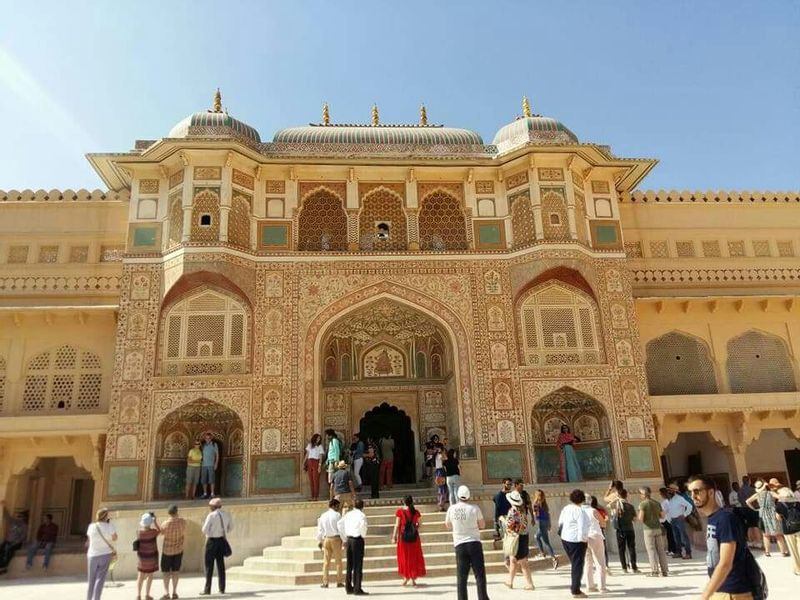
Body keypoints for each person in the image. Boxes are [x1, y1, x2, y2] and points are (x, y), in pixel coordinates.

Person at [688, 474, 757, 600]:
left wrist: (705, 596)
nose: (693, 496)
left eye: (697, 491)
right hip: (721, 590)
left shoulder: (725, 519)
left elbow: (725, 563)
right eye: (690, 492)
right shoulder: (713, 518)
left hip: (733, 593)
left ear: (710, 492)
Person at [445, 485, 490, 600]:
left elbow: (448, 525)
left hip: (459, 544)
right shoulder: (475, 508)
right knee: (479, 575)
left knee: (461, 576)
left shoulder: (451, 509)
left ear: (458, 496)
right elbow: (482, 525)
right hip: (474, 543)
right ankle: (483, 597)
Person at [558, 489, 590, 599]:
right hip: (576, 541)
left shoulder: (566, 508)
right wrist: (584, 540)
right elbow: (582, 527)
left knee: (574, 564)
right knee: (577, 566)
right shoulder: (579, 511)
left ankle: (575, 587)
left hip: (565, 538)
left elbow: (560, 523)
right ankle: (575, 590)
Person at [746, 478, 789, 556]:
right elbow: (781, 498)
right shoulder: (771, 493)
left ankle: (767, 552)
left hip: (763, 514)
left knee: (766, 535)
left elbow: (747, 501)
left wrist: (755, 509)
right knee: (778, 535)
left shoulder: (757, 495)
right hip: (772, 513)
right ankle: (783, 552)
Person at [200, 497, 233, 596]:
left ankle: (207, 589)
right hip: (221, 540)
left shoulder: (211, 515)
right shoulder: (226, 514)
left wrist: (211, 532)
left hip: (212, 541)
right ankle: (222, 588)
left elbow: (204, 530)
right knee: (221, 565)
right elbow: (230, 527)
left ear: (213, 507)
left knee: (209, 566)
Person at [392, 495, 426, 586]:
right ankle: (413, 578)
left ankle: (405, 577)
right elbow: (420, 524)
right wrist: (414, 527)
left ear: (403, 501)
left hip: (403, 538)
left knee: (404, 557)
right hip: (414, 538)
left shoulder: (400, 511)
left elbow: (397, 525)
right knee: (414, 557)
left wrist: (394, 536)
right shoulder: (416, 512)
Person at [503, 490, 534, 590]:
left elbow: (511, 526)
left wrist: (503, 521)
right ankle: (510, 581)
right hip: (523, 537)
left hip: (517, 538)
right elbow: (524, 524)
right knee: (513, 560)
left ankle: (530, 584)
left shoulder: (512, 511)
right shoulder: (522, 511)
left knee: (522, 562)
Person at [85, 507, 117, 600]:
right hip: (105, 554)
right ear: (106, 516)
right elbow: (115, 538)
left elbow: (89, 540)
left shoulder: (91, 526)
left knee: (91, 580)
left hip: (92, 555)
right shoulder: (109, 526)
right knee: (100, 580)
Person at [338, 498, 368, 595]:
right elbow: (363, 527)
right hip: (357, 539)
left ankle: (348, 587)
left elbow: (339, 524)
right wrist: (363, 536)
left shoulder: (348, 514)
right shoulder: (362, 515)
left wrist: (344, 537)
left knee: (349, 564)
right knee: (358, 565)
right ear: (362, 507)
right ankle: (357, 588)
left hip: (349, 539)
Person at [638, 486, 668, 577]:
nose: (640, 496)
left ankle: (655, 571)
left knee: (651, 550)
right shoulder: (657, 503)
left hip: (648, 529)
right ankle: (664, 570)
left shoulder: (643, 504)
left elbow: (641, 518)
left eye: (641, 494)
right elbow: (663, 516)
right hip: (658, 528)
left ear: (644, 494)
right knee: (661, 550)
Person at [159, 504, 186, 600]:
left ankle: (166, 593)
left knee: (166, 573)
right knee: (176, 572)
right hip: (178, 550)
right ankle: (174, 592)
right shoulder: (182, 522)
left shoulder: (165, 524)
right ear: (177, 512)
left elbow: (161, 532)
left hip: (167, 551)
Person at [316, 498, 344, 588]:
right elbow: (341, 529)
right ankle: (339, 581)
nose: (338, 508)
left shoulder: (323, 515)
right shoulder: (337, 515)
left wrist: (320, 540)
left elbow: (320, 529)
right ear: (334, 506)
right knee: (338, 561)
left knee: (326, 562)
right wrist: (344, 539)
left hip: (326, 539)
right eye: (337, 506)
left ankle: (325, 582)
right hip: (336, 539)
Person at [582, 496, 607, 593]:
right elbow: (603, 523)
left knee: (588, 562)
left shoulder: (579, 512)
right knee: (600, 562)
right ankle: (602, 586)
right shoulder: (593, 511)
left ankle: (590, 586)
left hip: (584, 538)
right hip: (595, 535)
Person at [136, 512, 161, 600]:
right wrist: (155, 521)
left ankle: (138, 595)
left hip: (142, 557)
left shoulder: (139, 532)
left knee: (140, 576)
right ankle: (147, 595)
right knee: (150, 576)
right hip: (151, 557)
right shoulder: (153, 532)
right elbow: (160, 530)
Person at [665, 484, 694, 559]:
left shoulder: (679, 498)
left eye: (670, 490)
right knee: (676, 537)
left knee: (684, 537)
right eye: (668, 490)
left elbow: (689, 506)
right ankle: (679, 552)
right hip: (673, 520)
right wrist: (669, 519)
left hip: (679, 519)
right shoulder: (670, 500)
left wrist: (684, 514)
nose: (668, 491)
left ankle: (688, 553)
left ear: (674, 491)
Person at [614, 489, 639, 573]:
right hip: (629, 529)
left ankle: (624, 567)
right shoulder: (630, 506)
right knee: (631, 548)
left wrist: (616, 499)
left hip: (620, 530)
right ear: (626, 495)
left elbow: (607, 505)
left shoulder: (616, 506)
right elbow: (635, 519)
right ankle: (634, 567)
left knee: (621, 549)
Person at [775, 491, 800, 576]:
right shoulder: (796, 501)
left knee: (793, 551)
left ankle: (797, 569)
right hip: (799, 527)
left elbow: (778, 518)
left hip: (788, 529)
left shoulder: (779, 504)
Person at [532, 489, 558, 569]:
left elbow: (536, 515)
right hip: (546, 522)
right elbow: (548, 514)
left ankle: (554, 558)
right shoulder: (544, 503)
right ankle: (542, 552)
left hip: (541, 522)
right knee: (537, 536)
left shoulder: (536, 504)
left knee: (546, 542)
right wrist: (549, 524)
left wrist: (534, 514)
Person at [0, 502, 28, 574]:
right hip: (8, 541)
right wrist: (4, 506)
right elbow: (7, 516)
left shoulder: (24, 526)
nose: (19, 517)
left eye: (20, 516)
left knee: (9, 551)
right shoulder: (13, 522)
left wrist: (13, 544)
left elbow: (22, 537)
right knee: (1, 549)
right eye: (18, 516)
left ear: (24, 518)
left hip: (17, 543)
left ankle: (4, 567)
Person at [589, 496, 610, 572]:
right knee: (603, 549)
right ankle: (606, 564)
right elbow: (606, 518)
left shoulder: (590, 510)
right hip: (600, 531)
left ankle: (595, 565)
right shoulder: (600, 510)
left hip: (590, 532)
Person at [658, 487, 678, 556]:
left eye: (660, 493)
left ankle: (673, 550)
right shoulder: (668, 501)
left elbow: (663, 512)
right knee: (670, 535)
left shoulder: (665, 502)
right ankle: (670, 549)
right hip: (669, 520)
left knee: (670, 536)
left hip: (667, 520)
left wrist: (659, 519)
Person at [305, 433, 325, 501]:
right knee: (311, 481)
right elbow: (307, 455)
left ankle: (316, 497)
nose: (318, 439)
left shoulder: (320, 446)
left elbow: (320, 456)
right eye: (317, 438)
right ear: (314, 438)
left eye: (319, 438)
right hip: (309, 462)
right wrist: (303, 462)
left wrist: (319, 466)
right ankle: (312, 496)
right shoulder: (310, 445)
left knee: (316, 480)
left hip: (316, 462)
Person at [493, 478, 513, 542]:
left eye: (510, 484)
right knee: (506, 536)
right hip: (504, 518)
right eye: (508, 484)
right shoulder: (499, 496)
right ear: (503, 484)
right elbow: (497, 508)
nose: (509, 486)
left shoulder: (512, 494)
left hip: (512, 517)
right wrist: (496, 520)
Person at [200, 432, 219, 499]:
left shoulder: (214, 444)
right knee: (204, 480)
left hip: (211, 465)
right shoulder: (203, 445)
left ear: (211, 438)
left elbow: (217, 455)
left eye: (209, 438)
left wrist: (216, 463)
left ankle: (212, 493)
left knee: (211, 480)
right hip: (204, 465)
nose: (207, 439)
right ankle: (205, 493)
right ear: (205, 439)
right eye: (206, 438)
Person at [433, 446, 448, 511]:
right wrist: (443, 452)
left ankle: (441, 504)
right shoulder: (439, 455)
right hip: (440, 472)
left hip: (439, 472)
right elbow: (446, 458)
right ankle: (441, 505)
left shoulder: (437, 455)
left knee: (441, 488)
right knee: (442, 488)